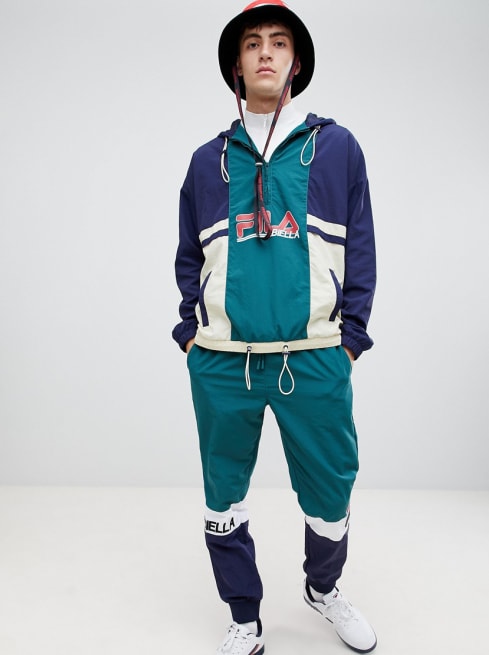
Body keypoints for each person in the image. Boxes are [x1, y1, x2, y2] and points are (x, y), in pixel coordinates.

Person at [172, 1, 377, 652]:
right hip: (222, 361)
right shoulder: (206, 161)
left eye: (279, 41)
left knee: (331, 491)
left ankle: (322, 588)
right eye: (253, 42)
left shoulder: (336, 147)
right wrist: (190, 333)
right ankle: (244, 614)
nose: (265, 51)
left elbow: (361, 245)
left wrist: (350, 339)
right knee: (222, 497)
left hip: (313, 356)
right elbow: (188, 253)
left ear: (296, 62)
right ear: (236, 64)